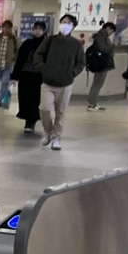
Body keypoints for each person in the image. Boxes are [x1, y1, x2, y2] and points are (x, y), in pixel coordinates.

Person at [30, 13, 85, 151]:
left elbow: (81, 62)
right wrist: (43, 69)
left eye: (68, 23)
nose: (65, 24)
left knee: (61, 112)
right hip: (48, 82)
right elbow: (38, 54)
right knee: (44, 108)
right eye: (63, 21)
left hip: (66, 83)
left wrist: (72, 73)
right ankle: (47, 131)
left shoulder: (76, 45)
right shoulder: (50, 40)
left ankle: (56, 137)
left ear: (73, 27)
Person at [14, 21, 47, 134]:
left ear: (44, 31)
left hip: (38, 76)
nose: (37, 31)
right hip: (25, 74)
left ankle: (32, 121)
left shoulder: (46, 44)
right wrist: (15, 75)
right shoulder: (27, 43)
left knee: (35, 99)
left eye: (40, 29)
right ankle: (27, 119)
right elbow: (19, 60)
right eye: (35, 28)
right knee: (24, 98)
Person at [85, 21, 117, 111]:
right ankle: (92, 104)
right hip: (101, 64)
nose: (111, 33)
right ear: (108, 28)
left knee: (97, 83)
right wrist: (112, 46)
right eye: (111, 31)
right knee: (97, 84)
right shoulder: (101, 37)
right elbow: (104, 49)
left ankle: (93, 102)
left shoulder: (101, 36)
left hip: (101, 63)